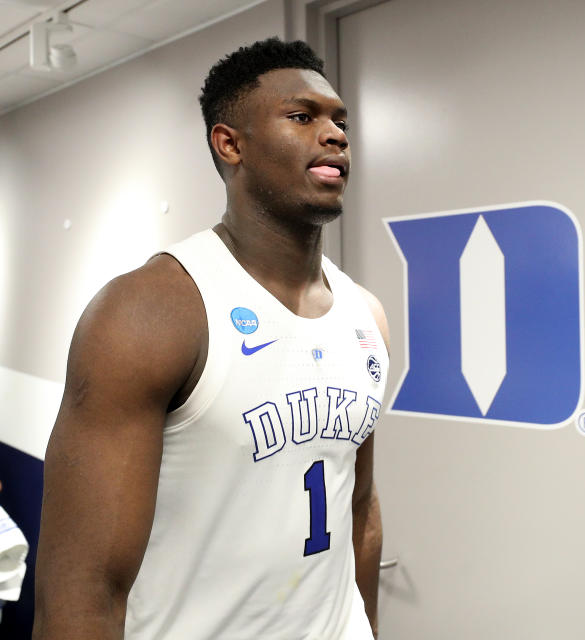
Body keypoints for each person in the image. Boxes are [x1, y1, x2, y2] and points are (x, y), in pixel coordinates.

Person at [33, 38, 388, 639]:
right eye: (303, 117)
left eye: (339, 120)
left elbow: (360, 513)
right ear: (231, 145)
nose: (335, 135)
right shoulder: (150, 311)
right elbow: (82, 592)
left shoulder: (366, 316)